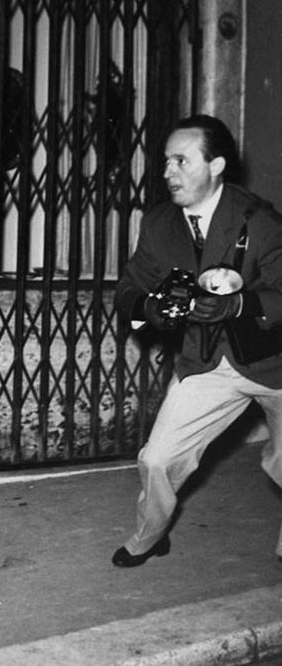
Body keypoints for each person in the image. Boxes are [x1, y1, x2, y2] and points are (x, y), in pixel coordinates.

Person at [112, 114, 282, 568]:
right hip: (206, 366)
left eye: (181, 161)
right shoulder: (160, 224)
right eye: (166, 161)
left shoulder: (259, 220)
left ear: (217, 164)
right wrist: (145, 309)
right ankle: (151, 536)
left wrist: (239, 306)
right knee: (157, 459)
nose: (167, 172)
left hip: (273, 364)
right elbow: (129, 286)